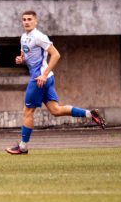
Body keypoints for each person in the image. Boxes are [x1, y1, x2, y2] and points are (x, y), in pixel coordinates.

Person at [6, 11, 106, 155]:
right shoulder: (24, 37)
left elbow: (56, 55)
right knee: (56, 110)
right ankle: (90, 114)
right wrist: (21, 60)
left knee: (27, 111)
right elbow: (26, 56)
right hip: (45, 78)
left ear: (35, 21)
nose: (26, 22)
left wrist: (44, 75)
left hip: (40, 79)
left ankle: (23, 147)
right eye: (24, 19)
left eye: (29, 19)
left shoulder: (39, 37)